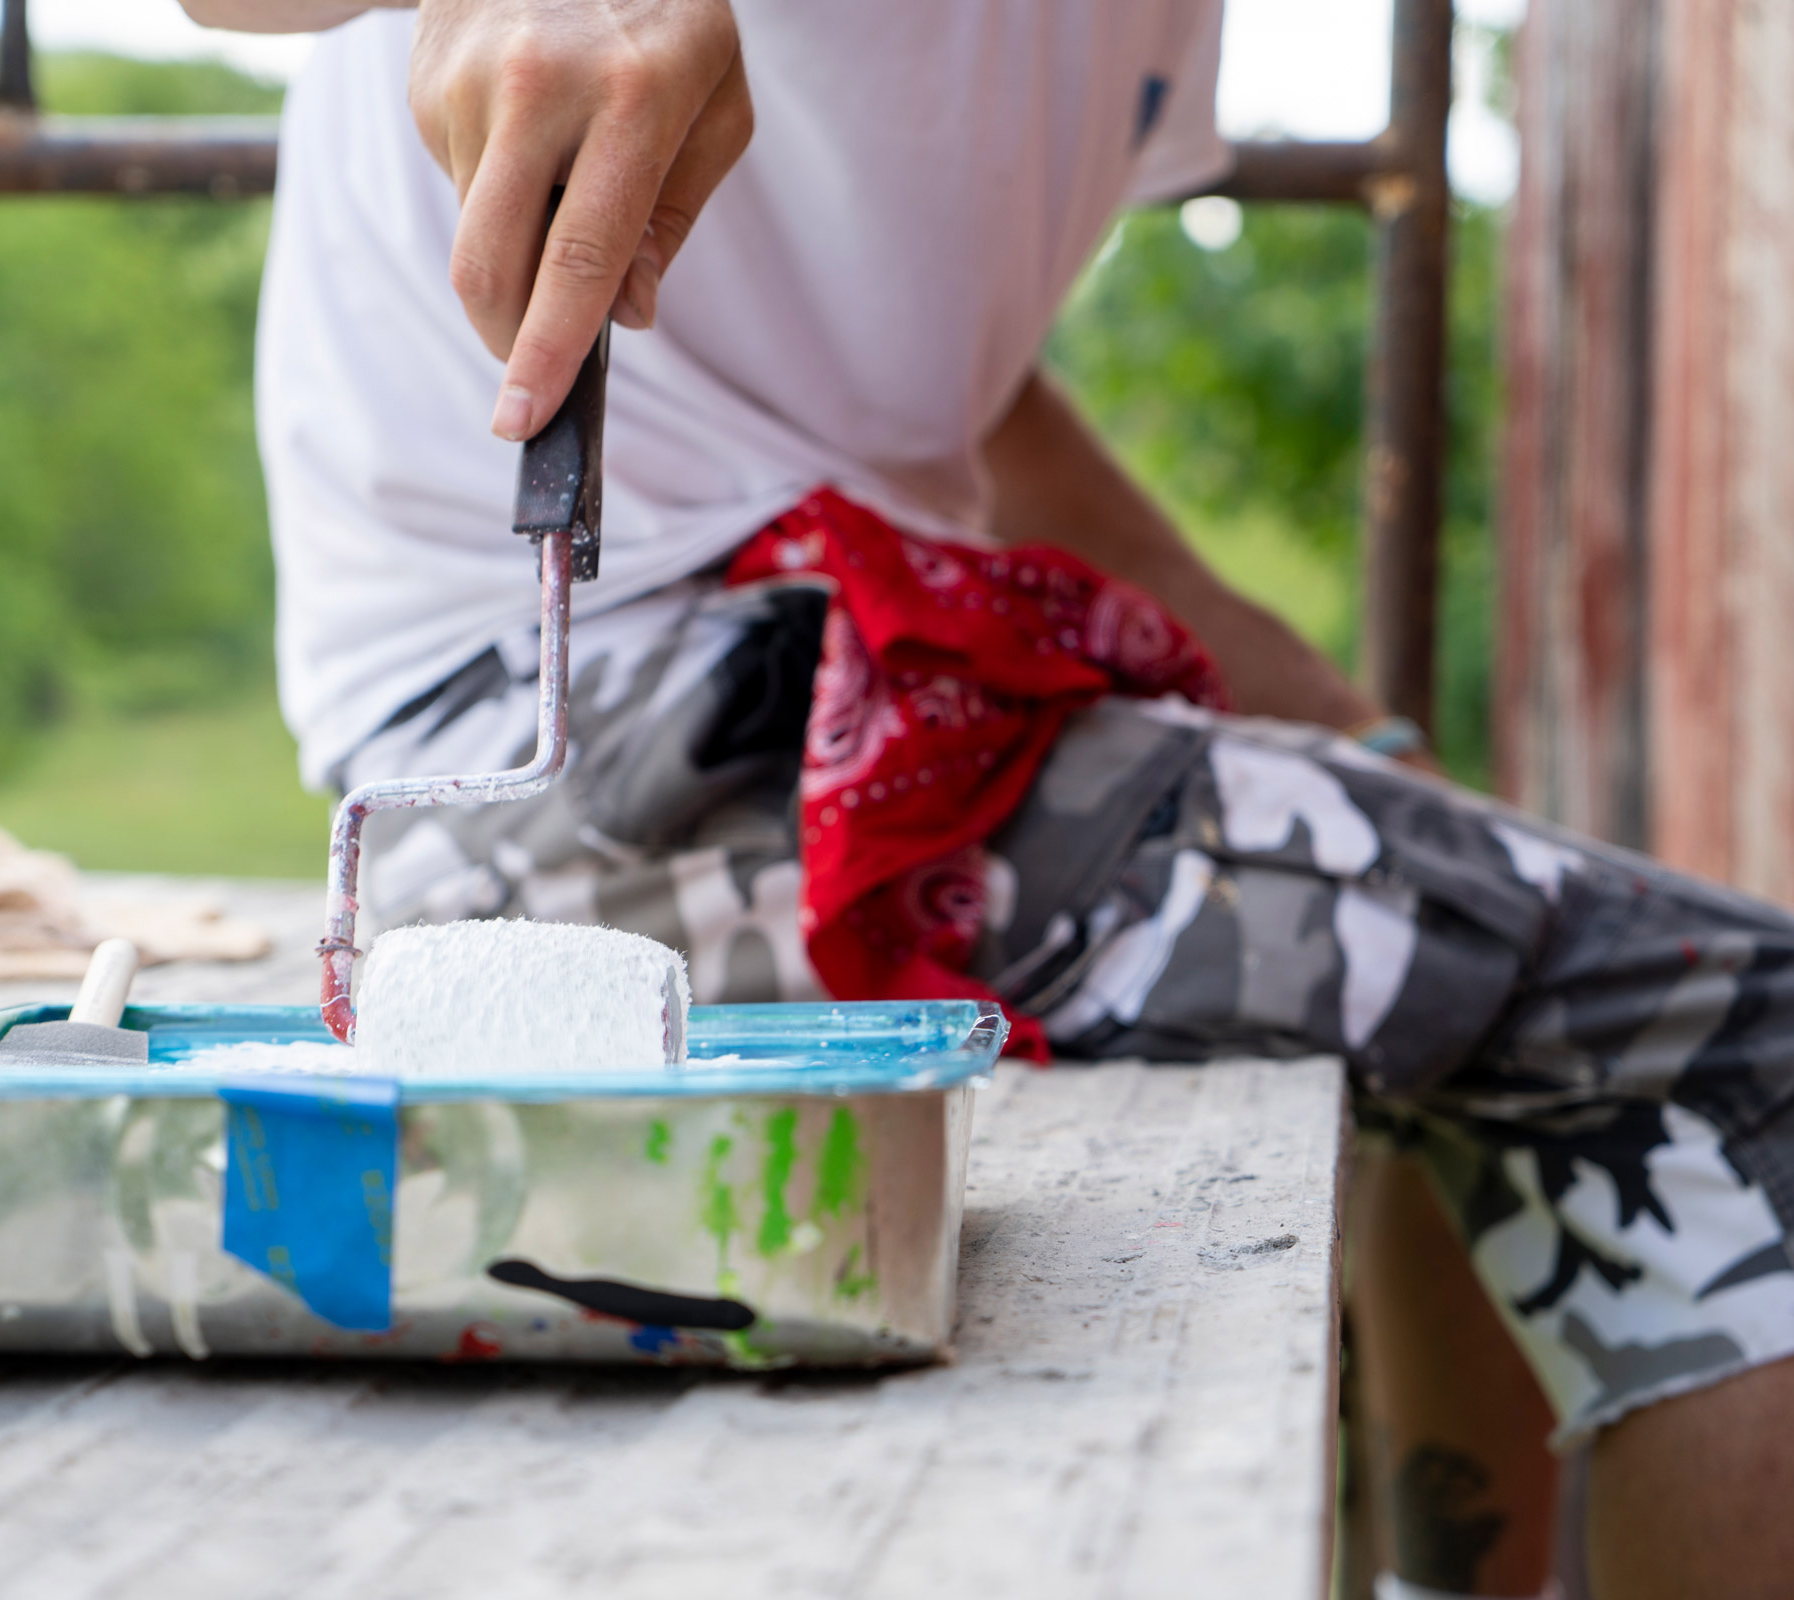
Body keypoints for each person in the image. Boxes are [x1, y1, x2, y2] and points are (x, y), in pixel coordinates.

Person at [178, 2, 1794, 1594]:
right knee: (1751, 1050)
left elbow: (952, 408)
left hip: (813, 690)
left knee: (1497, 983)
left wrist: (1360, 751)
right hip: (594, 742)